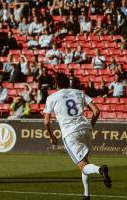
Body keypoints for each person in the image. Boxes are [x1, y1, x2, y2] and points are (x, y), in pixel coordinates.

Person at [44, 72, 111, 200]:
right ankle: (86, 195)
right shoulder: (79, 92)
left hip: (70, 132)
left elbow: (46, 122)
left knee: (83, 165)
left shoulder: (52, 97)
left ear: (56, 84)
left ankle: (100, 170)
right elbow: (96, 111)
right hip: (85, 128)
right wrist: (90, 125)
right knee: (84, 164)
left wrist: (52, 137)